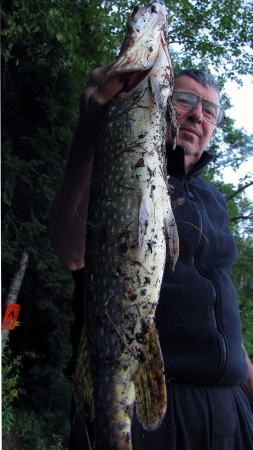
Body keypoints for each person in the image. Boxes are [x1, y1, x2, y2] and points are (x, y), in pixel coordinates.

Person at [49, 64, 253, 449]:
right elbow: (71, 250)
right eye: (185, 100)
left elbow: (223, 319)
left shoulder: (215, 200)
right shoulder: (122, 166)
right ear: (158, 104)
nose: (197, 114)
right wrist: (91, 127)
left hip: (230, 410)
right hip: (142, 404)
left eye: (210, 110)